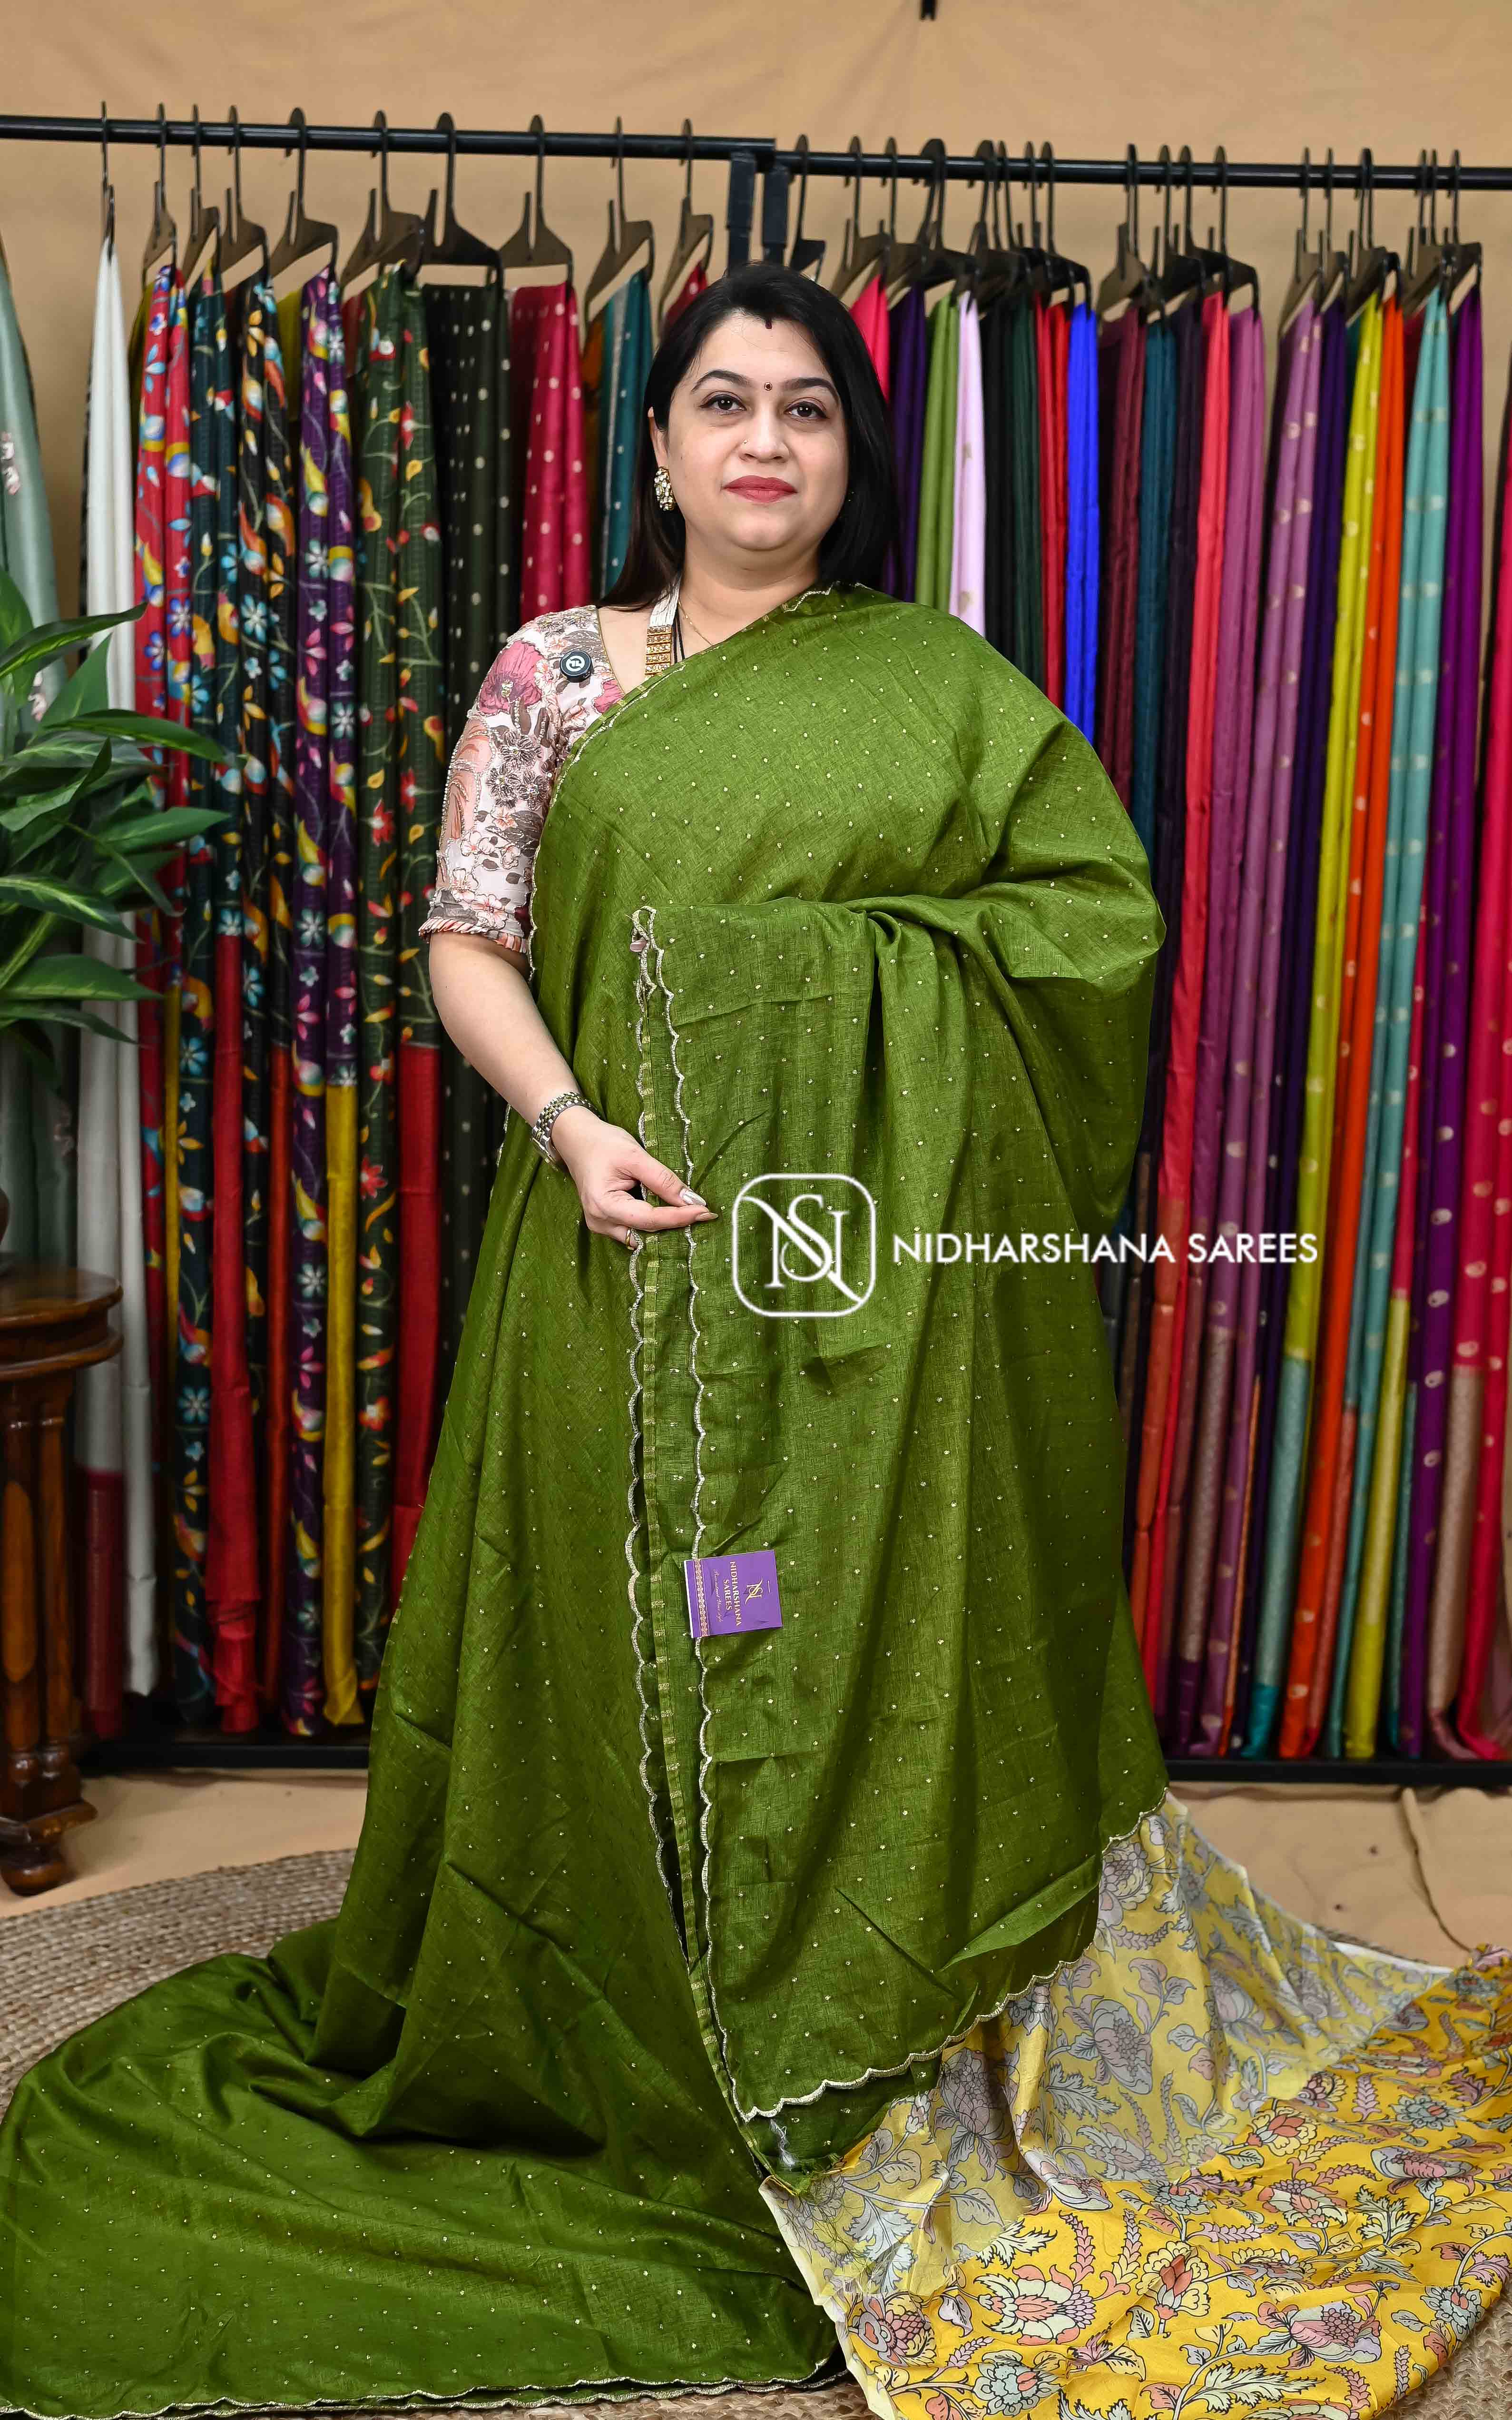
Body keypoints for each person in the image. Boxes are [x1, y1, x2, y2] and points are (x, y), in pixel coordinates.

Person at [2, 263, 1509, 2420]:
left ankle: (863, 2018)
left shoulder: (933, 685)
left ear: (849, 457)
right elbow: (469, 936)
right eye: (724, 402)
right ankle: (642, 2015)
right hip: (618, 1243)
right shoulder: (559, 672)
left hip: (872, 1283)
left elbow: (1086, 929)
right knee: (624, 1634)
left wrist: (833, 998)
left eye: (806, 408)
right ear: (658, 448)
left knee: (863, 1625)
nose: (764, 442)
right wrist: (572, 1119)